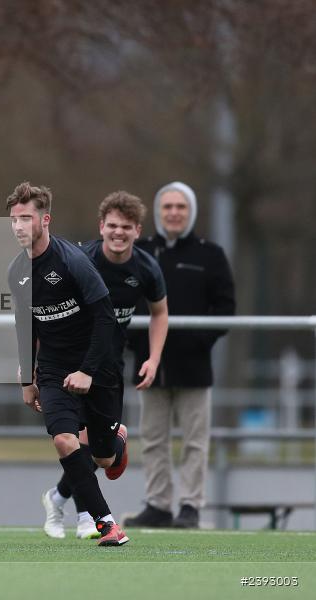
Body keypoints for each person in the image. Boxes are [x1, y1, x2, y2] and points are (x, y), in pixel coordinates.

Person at [38, 192, 168, 540]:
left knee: (105, 458)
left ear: (137, 230)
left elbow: (159, 312)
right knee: (71, 439)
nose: (118, 232)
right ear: (101, 227)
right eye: (112, 225)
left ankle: (59, 497)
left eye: (126, 227)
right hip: (75, 363)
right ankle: (91, 518)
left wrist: (153, 358)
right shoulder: (82, 259)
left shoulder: (146, 268)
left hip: (109, 367)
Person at [7, 181, 129, 547]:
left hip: (98, 366)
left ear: (46, 219)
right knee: (64, 440)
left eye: (26, 219)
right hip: (54, 368)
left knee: (105, 459)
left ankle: (116, 440)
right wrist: (28, 378)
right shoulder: (17, 272)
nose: (18, 227)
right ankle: (107, 523)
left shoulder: (73, 262)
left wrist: (89, 371)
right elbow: (24, 323)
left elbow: (106, 320)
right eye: (13, 220)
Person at [125, 182, 235, 529]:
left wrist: (199, 341)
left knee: (194, 442)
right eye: (168, 206)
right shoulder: (138, 252)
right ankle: (158, 504)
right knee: (153, 439)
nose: (174, 213)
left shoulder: (210, 254)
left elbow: (226, 308)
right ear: (158, 212)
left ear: (191, 212)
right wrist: (136, 345)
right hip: (149, 367)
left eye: (181, 207)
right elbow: (120, 302)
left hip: (194, 367)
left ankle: (190, 505)